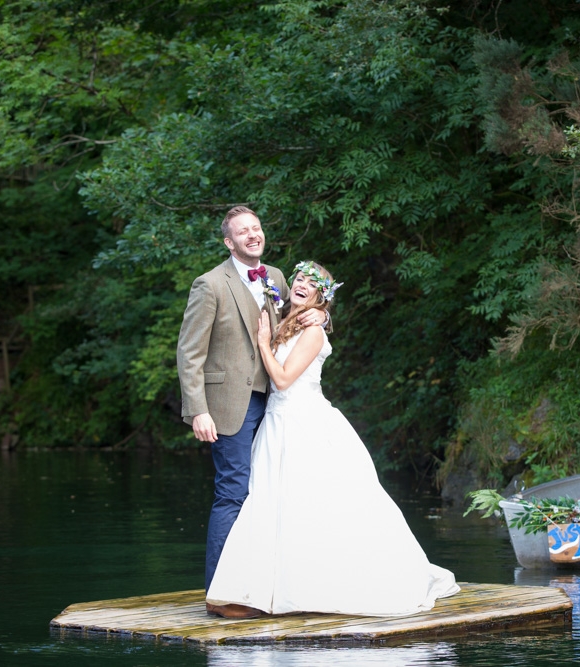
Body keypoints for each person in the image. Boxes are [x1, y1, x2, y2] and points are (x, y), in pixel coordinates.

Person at [206, 261, 460, 618]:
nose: (301, 284)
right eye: (299, 278)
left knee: (312, 506)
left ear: (321, 297)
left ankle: (315, 587)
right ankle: (262, 591)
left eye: (312, 283)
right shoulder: (286, 319)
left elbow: (281, 379)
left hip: (303, 423)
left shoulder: (312, 331)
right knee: (272, 506)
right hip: (276, 424)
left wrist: (265, 342)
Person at [176, 207, 326, 613]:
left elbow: (294, 327)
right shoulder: (209, 285)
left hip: (275, 404)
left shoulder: (276, 278)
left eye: (256, 228)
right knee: (233, 492)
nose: (252, 235)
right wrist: (198, 410)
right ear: (230, 242)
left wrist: (321, 312)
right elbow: (189, 354)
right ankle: (220, 594)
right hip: (227, 406)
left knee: (268, 494)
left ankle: (261, 586)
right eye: (242, 232)